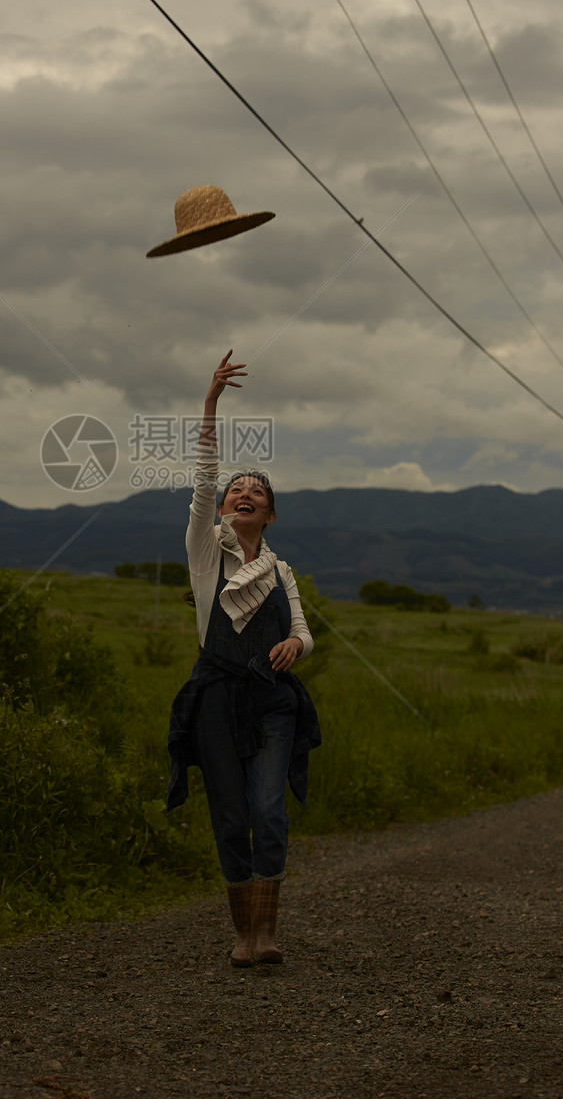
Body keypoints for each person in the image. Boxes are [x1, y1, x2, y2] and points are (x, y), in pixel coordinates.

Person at [167, 350, 321, 966]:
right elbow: (203, 480)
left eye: (256, 490)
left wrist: (296, 645)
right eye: (237, 489)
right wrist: (209, 404)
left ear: (270, 513)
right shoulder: (206, 556)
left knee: (268, 809)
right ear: (225, 507)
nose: (244, 492)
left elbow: (306, 634)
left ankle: (266, 935)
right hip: (215, 699)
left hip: (273, 703)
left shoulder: (280, 571)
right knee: (231, 818)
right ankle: (243, 936)